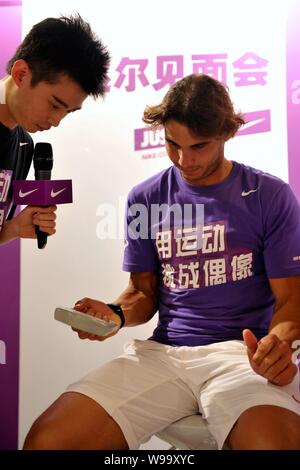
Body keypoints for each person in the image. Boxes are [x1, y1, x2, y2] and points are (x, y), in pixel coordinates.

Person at [23, 74, 300, 450]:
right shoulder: (146, 197)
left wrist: (278, 345)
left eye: (199, 146)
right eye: (172, 143)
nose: (185, 160)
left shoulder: (269, 195)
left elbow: (291, 301)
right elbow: (142, 293)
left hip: (242, 355)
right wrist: (113, 314)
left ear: (225, 134)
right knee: (50, 442)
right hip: (164, 354)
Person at [0, 14, 110, 245]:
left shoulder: (24, 145)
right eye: (54, 104)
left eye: (68, 111)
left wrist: (13, 229)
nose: (57, 120)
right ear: (21, 74)